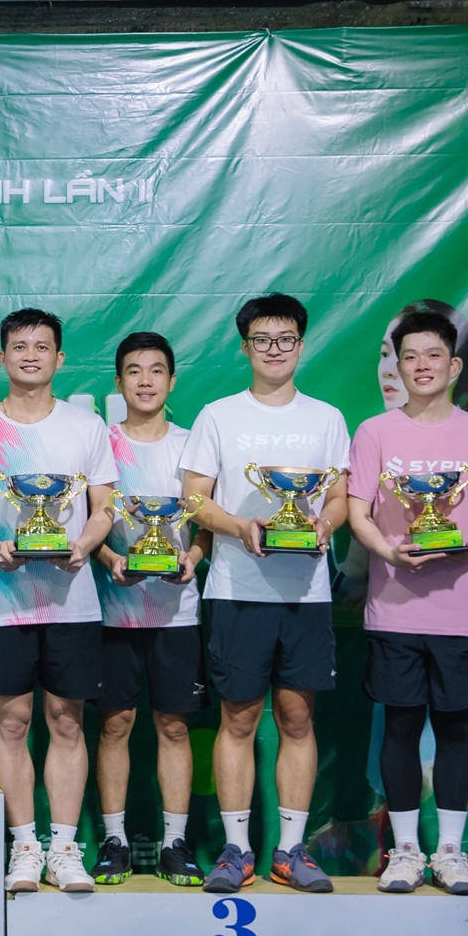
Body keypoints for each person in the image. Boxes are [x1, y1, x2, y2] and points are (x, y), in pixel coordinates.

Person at [344, 308, 468, 897]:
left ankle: (450, 852)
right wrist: (388, 554)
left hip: (460, 613)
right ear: (398, 365)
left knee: (453, 729)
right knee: (399, 727)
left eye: (433, 355)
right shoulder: (374, 432)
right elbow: (358, 513)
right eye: (410, 356)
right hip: (394, 609)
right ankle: (404, 852)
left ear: (455, 366)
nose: (421, 366)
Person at [180, 292, 350, 895]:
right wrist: (240, 527)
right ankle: (236, 849)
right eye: (262, 340)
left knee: (298, 718)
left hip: (306, 593)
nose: (274, 349)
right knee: (240, 717)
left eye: (285, 339)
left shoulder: (327, 419)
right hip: (236, 588)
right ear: (245, 347)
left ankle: (291, 849)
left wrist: (323, 527)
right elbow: (194, 497)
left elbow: (339, 497)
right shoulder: (218, 416)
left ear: (301, 345)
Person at [0, 309, 117, 894]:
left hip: (74, 601)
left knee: (67, 720)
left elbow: (104, 507)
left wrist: (85, 546)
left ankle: (64, 849)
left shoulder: (87, 427)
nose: (30, 356)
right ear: (2, 357)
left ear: (59, 358)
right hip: (5, 602)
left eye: (42, 347)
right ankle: (24, 846)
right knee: (13, 720)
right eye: (19, 346)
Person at [91, 330, 209, 886]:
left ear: (172, 380)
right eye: (134, 371)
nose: (145, 381)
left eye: (156, 370)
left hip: (177, 611)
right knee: (115, 724)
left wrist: (194, 558)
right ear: (118, 382)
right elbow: (87, 519)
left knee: (175, 727)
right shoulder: (100, 442)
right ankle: (113, 840)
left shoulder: (192, 446)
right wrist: (111, 557)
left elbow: (206, 520)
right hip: (113, 610)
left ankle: (175, 844)